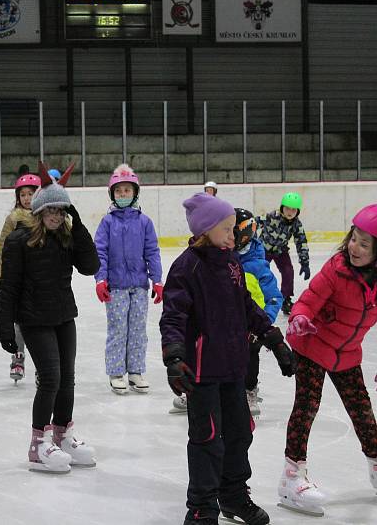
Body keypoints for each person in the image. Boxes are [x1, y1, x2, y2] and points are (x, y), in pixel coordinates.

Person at [160, 192, 296, 525]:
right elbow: (173, 316)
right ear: (206, 230)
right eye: (227, 229)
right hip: (203, 372)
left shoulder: (232, 262)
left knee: (239, 434)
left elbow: (247, 306)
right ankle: (202, 507)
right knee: (206, 439)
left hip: (234, 368)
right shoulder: (186, 267)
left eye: (234, 229)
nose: (234, 236)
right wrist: (174, 357)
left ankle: (233, 496)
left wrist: (274, 339)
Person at [278, 204, 377, 516]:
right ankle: (291, 477)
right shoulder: (337, 268)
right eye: (353, 238)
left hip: (346, 353)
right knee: (307, 406)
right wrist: (299, 317)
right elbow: (310, 299)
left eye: (365, 244)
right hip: (311, 343)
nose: (354, 246)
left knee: (362, 411)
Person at [0, 162, 100, 473]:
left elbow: (91, 266)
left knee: (67, 379)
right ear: (40, 211)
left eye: (61, 210)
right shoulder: (19, 240)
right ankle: (38, 443)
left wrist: (79, 224)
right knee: (51, 379)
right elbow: (9, 287)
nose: (56, 216)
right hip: (33, 319)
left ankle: (62, 434)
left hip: (63, 316)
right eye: (50, 211)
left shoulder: (67, 237)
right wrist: (6, 328)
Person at [94, 164, 163, 394]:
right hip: (116, 287)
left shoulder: (144, 222)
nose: (123, 195)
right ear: (112, 194)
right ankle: (115, 372)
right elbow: (100, 252)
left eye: (127, 190)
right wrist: (100, 279)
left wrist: (158, 280)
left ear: (135, 193)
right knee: (117, 329)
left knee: (137, 330)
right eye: (118, 191)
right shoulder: (107, 222)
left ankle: (135, 371)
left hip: (139, 286)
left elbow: (152, 252)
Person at [234, 207, 283, 416]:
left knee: (250, 355)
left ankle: (249, 390)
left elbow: (274, 298)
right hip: (226, 323)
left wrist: (264, 323)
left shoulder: (258, 266)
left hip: (253, 325)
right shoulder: (222, 258)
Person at [0, 171, 41, 383]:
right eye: (23, 194)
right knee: (19, 323)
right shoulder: (14, 218)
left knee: (41, 323)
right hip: (19, 280)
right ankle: (18, 357)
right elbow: (3, 249)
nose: (26, 198)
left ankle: (42, 364)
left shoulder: (46, 216)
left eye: (31, 194)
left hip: (40, 280)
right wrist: (1, 278)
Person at [256, 192, 310, 315]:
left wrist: (304, 262)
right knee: (259, 272)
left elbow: (301, 242)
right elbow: (253, 224)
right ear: (282, 208)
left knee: (288, 271)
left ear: (298, 211)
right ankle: (255, 296)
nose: (290, 212)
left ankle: (286, 299)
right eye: (287, 208)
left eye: (293, 210)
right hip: (264, 249)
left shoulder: (297, 224)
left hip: (280, 251)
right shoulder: (271, 216)